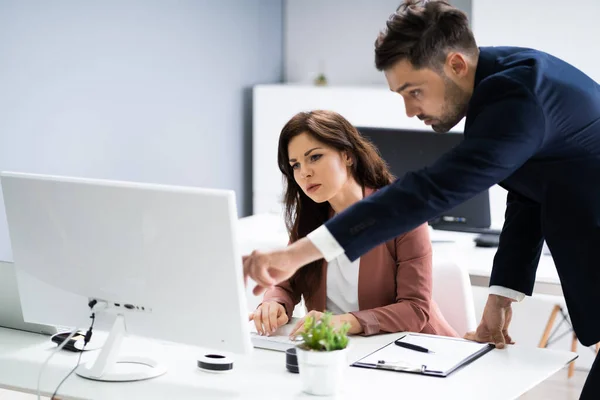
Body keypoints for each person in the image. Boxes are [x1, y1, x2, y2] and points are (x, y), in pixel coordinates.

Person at [243, 1, 600, 398]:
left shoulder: (517, 97)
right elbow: (529, 194)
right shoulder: (502, 87)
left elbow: (430, 192)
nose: (410, 110)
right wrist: (501, 296)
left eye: (414, 92)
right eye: (401, 94)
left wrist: (296, 254)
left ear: (456, 65)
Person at [249, 110, 457, 339]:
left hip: (413, 352)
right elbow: (286, 285)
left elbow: (415, 310)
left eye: (315, 157)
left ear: (348, 155)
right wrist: (275, 303)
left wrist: (346, 322)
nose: (304, 173)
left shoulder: (403, 213)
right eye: (295, 165)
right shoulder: (311, 218)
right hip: (340, 351)